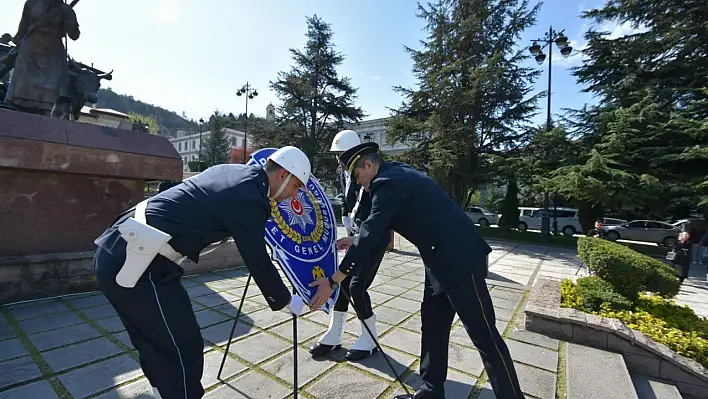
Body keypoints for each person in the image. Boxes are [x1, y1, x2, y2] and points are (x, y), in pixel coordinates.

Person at [308, 143, 524, 399]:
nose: (357, 184)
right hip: (437, 260)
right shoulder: (398, 173)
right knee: (433, 327)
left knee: (484, 335)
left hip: (460, 258)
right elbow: (378, 228)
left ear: (367, 165)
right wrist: (355, 240)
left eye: (356, 176)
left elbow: (371, 233)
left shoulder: (386, 184)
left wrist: (333, 281)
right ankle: (431, 391)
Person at [93, 146, 311, 399]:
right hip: (139, 261)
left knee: (156, 343)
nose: (293, 196)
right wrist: (285, 299)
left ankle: (164, 393)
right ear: (283, 175)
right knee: (182, 349)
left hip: (129, 252)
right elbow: (257, 258)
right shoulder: (250, 197)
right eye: (296, 186)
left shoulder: (234, 173)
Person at [308, 130, 391, 361]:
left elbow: (375, 209)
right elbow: (347, 197)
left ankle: (370, 338)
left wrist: (360, 233)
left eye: (343, 154)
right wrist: (346, 216)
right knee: (344, 286)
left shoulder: (371, 172)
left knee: (356, 286)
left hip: (373, 235)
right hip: (354, 232)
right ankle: (334, 334)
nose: (340, 160)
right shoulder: (340, 171)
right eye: (338, 155)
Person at [4, 0, 80, 114]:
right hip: (31, 51)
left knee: (52, 91)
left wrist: (68, 15)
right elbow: (22, 30)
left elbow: (74, 35)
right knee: (22, 85)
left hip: (53, 55)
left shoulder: (66, 10)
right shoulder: (31, 3)